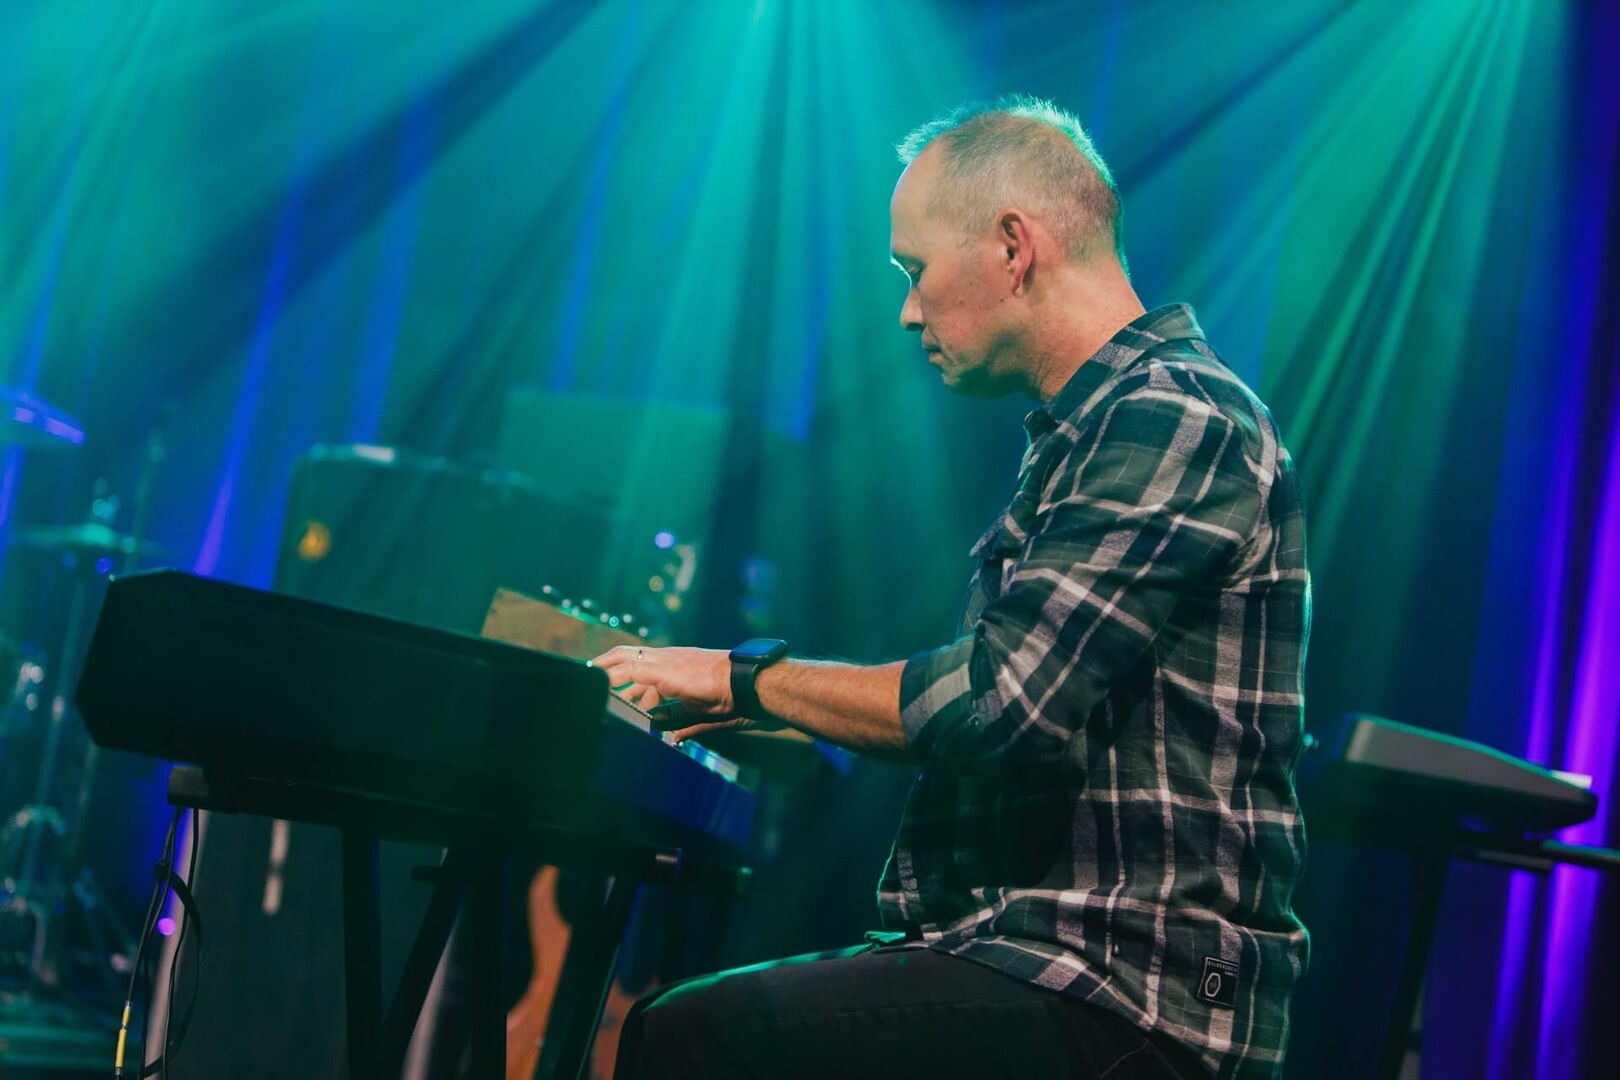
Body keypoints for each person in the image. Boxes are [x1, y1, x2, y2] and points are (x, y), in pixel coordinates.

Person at [593, 95, 1310, 1080]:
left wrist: (742, 676)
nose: (906, 311)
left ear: (1014, 246)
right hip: (1053, 966)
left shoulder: (1174, 415)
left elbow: (1002, 702)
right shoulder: (1095, 430)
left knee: (694, 1037)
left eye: (914, 270)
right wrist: (784, 720)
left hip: (1135, 993)